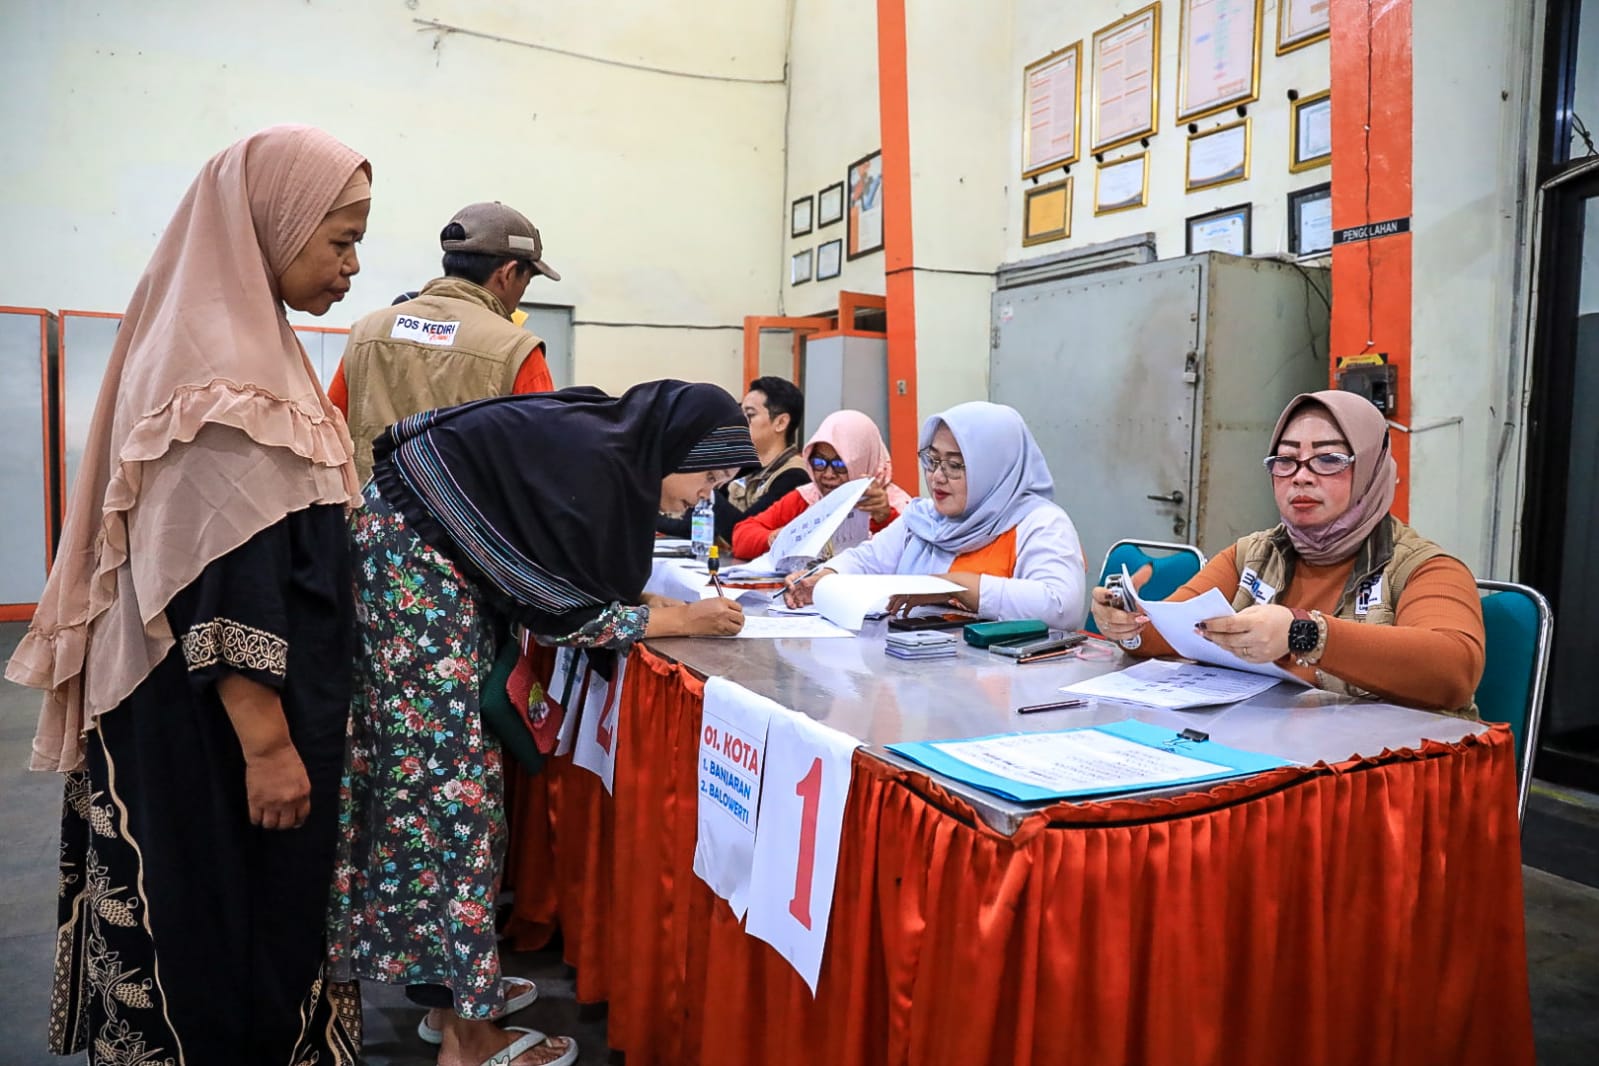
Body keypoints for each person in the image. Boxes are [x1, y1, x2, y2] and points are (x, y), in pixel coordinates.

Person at [5, 126, 369, 1065]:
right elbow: (223, 588)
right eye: (340, 237)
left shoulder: (247, 350)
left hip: (230, 720)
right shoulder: (223, 381)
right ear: (272, 225)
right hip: (219, 734)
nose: (353, 264)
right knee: (222, 940)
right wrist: (270, 747)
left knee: (236, 927)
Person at [326, 381, 756, 1066]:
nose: (705, 497)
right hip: (416, 569)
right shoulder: (600, 457)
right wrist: (675, 618)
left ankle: (455, 992)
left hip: (411, 545)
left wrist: (639, 601)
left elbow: (559, 561)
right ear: (673, 450)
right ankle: (470, 1038)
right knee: (452, 793)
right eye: (708, 477)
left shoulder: (606, 441)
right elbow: (565, 612)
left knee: (440, 791)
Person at [1089, 390, 1486, 715]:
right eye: (1286, 460)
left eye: (1329, 459)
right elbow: (1172, 633)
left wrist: (1303, 632)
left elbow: (1453, 671)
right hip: (1266, 756)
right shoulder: (1254, 554)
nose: (1301, 475)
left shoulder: (1423, 568)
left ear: (1371, 469)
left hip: (1377, 779)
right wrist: (1128, 623)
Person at [784, 401, 1087, 631]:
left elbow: (1063, 606)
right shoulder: (925, 518)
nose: (937, 477)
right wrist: (825, 577)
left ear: (996, 469)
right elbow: (868, 559)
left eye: (954, 465)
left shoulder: (1041, 523)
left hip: (1005, 693)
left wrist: (952, 586)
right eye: (932, 460)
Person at [328, 201, 560, 482]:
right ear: (508, 273)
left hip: (369, 522)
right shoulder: (517, 350)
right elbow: (544, 458)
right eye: (526, 281)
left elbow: (330, 435)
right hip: (468, 526)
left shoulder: (366, 333)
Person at [730, 408, 912, 560]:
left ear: (864, 461)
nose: (828, 474)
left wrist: (885, 518)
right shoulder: (808, 498)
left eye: (841, 465)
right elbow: (741, 536)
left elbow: (913, 559)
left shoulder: (895, 505)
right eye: (819, 463)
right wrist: (774, 538)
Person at [657, 375, 810, 544]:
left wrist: (707, 486)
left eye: (749, 416)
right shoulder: (743, 469)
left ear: (781, 422)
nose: (740, 422)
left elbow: (744, 531)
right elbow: (691, 526)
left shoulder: (795, 475)